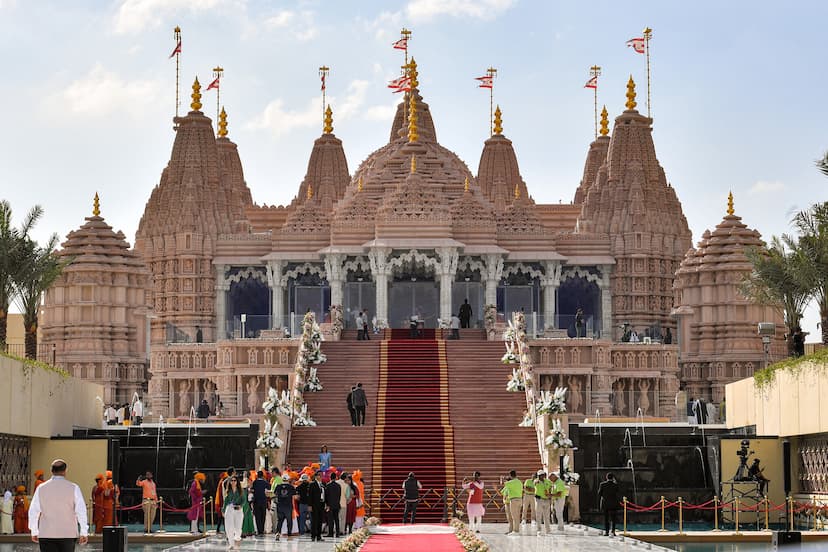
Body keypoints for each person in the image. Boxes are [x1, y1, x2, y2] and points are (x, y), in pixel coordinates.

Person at [27, 458, 89, 551]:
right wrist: (84, 532)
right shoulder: (74, 488)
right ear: (65, 471)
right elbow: (81, 511)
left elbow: (33, 511)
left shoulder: (41, 488)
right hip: (68, 534)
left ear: (51, 471)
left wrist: (34, 530)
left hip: (46, 533)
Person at [223, 475, 244, 549]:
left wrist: (241, 506)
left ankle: (237, 538)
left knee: (238, 527)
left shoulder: (240, 491)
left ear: (237, 481)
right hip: (230, 509)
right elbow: (225, 501)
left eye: (235, 480)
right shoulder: (228, 491)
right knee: (229, 527)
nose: (233, 482)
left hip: (238, 510)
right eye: (232, 480)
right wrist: (223, 510)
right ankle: (231, 544)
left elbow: (243, 500)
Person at [500, 471, 523, 535]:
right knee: (517, 516)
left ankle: (515, 531)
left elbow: (503, 484)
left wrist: (502, 478)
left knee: (514, 516)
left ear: (510, 475)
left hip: (514, 500)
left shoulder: (512, 482)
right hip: (520, 499)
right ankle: (516, 530)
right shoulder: (519, 482)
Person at [598, 472, 620, 536]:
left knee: (606, 518)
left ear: (606, 477)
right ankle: (613, 531)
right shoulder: (615, 485)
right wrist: (615, 481)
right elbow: (618, 492)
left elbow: (599, 493)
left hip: (605, 504)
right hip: (613, 504)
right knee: (613, 518)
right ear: (613, 478)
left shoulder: (602, 484)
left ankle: (607, 532)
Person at [533, 470, 553, 536]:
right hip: (539, 500)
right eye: (539, 475)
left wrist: (549, 494)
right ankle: (539, 530)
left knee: (547, 516)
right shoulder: (536, 481)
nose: (540, 476)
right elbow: (534, 483)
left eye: (541, 475)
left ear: (544, 475)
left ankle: (548, 530)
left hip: (546, 500)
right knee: (538, 515)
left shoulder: (548, 481)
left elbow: (550, 488)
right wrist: (536, 481)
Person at [308, 471, 326, 542]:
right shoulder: (312, 484)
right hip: (314, 505)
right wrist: (309, 505)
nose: (321, 476)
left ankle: (319, 536)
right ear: (316, 476)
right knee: (314, 521)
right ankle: (313, 536)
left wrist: (326, 504)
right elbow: (310, 495)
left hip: (321, 504)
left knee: (320, 521)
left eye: (322, 475)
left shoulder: (323, 484)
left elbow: (325, 495)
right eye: (319, 475)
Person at [251, 470, 269, 535]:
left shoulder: (254, 482)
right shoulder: (265, 483)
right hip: (264, 501)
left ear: (257, 476)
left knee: (257, 516)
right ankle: (262, 529)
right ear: (262, 476)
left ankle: (259, 530)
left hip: (256, 501)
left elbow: (252, 490)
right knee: (263, 516)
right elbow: (268, 490)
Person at [325, 472, 342, 537]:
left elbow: (326, 496)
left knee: (330, 520)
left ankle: (331, 533)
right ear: (336, 478)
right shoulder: (338, 486)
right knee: (336, 519)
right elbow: (339, 495)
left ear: (330, 477)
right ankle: (337, 533)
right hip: (337, 504)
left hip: (330, 505)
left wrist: (327, 504)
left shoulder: (328, 485)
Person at [336, 471, 351, 536]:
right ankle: (341, 531)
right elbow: (348, 496)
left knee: (337, 518)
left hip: (335, 504)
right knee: (343, 518)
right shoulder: (346, 485)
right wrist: (348, 501)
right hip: (343, 504)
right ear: (345, 478)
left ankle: (336, 530)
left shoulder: (336, 483)